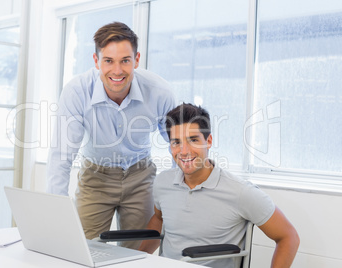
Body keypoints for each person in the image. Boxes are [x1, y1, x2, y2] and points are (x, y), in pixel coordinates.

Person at [46, 22, 175, 249]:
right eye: (108, 61)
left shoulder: (159, 91)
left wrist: (177, 194)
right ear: (96, 61)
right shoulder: (77, 91)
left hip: (140, 176)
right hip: (96, 177)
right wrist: (56, 213)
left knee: (137, 253)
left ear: (136, 60)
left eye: (125, 60)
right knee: (83, 250)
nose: (117, 71)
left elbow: (177, 144)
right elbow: (61, 155)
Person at [139, 103, 300, 267]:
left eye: (193, 140)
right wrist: (138, 260)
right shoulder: (162, 182)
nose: (184, 151)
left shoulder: (240, 191)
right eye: (176, 142)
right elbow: (158, 219)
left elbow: (288, 237)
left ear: (208, 141)